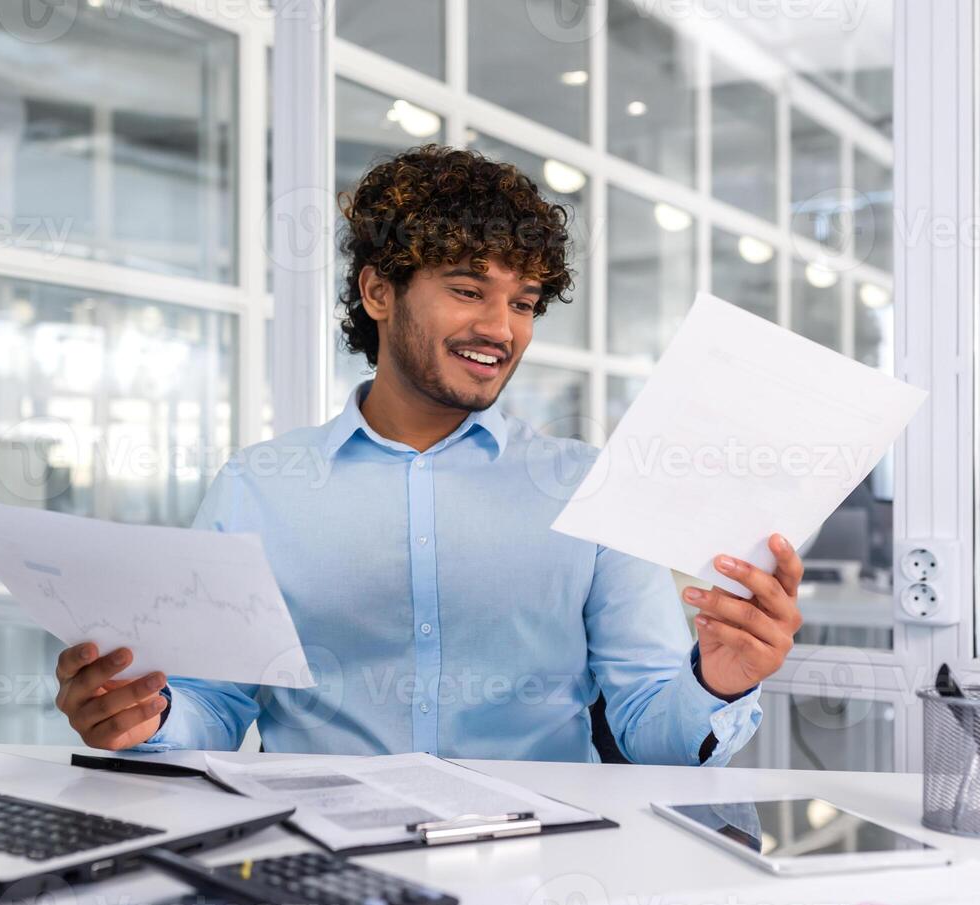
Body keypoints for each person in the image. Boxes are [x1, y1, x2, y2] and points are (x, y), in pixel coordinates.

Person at [53, 144, 803, 765]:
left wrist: (718, 683)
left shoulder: (585, 486)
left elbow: (648, 728)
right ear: (379, 292)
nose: (501, 328)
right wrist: (143, 721)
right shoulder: (261, 486)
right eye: (469, 290)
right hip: (324, 857)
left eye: (522, 302)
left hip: (545, 862)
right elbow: (212, 704)